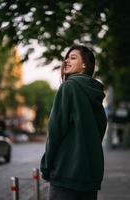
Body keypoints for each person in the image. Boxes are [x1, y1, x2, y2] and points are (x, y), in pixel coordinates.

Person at [40, 44, 107, 200]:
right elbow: (100, 132)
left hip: (66, 174)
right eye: (66, 58)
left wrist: (46, 166)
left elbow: (55, 130)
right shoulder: (96, 93)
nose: (66, 61)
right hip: (90, 176)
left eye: (73, 57)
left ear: (84, 65)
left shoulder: (69, 87)